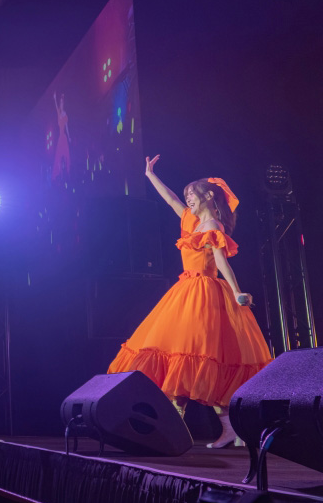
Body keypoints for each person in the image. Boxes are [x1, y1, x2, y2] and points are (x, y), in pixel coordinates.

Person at [108, 155, 273, 447]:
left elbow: (221, 262)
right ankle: (226, 430)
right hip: (186, 292)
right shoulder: (191, 221)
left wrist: (237, 291)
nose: (188, 200)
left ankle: (174, 431)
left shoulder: (213, 226)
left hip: (204, 295)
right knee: (185, 357)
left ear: (209, 196)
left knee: (195, 357)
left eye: (192, 195)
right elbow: (171, 200)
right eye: (187, 196)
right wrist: (150, 176)